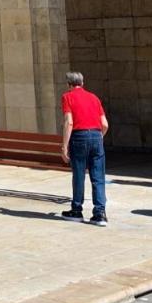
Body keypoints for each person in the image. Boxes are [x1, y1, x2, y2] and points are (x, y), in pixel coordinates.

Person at [60, 71, 109, 226]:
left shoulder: (67, 97)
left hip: (79, 137)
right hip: (96, 135)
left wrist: (64, 146)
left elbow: (69, 122)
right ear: (82, 83)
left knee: (79, 175)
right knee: (98, 176)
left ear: (69, 84)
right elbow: (105, 124)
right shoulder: (94, 98)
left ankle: (76, 210)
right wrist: (99, 137)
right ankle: (99, 213)